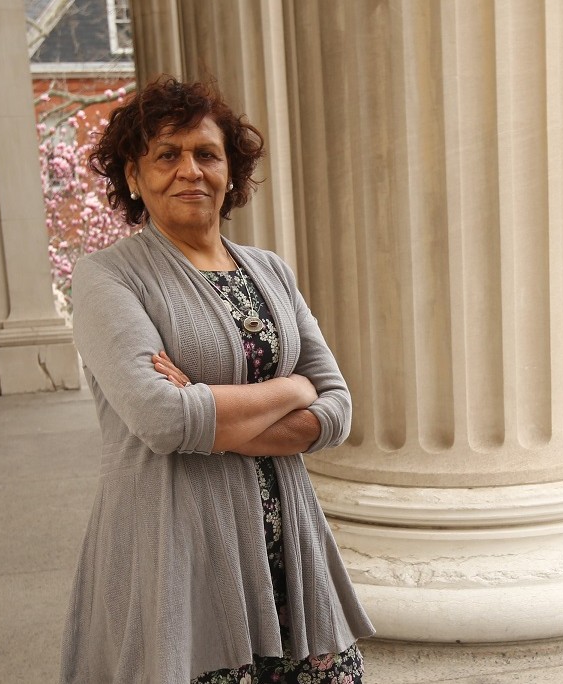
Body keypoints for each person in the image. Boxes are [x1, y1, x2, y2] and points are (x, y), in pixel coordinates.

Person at [60, 76, 374, 684]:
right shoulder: (107, 279)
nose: (190, 170)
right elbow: (162, 419)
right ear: (133, 174)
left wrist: (209, 410)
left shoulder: (270, 270)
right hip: (180, 551)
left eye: (207, 153)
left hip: (290, 551)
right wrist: (292, 389)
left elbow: (337, 409)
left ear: (231, 171)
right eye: (166, 154)